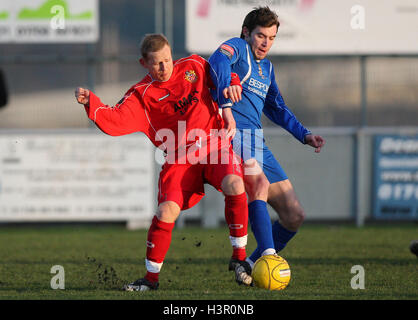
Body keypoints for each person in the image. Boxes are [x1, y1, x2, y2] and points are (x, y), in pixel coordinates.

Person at [75, 34, 253, 291]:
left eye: (167, 59)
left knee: (235, 184)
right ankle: (150, 280)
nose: (165, 67)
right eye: (157, 63)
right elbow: (114, 119)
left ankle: (238, 260)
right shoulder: (141, 95)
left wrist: (232, 83)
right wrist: (92, 102)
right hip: (180, 158)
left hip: (215, 145)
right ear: (143, 63)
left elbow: (222, 72)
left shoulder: (193, 66)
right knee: (166, 211)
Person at [208, 7, 326, 268]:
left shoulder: (267, 69)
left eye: (271, 38)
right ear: (247, 32)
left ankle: (248, 265)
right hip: (234, 136)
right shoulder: (238, 47)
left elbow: (277, 108)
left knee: (294, 215)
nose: (266, 43)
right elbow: (217, 60)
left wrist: (304, 135)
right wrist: (226, 99)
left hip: (257, 143)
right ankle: (269, 258)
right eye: (261, 36)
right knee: (258, 186)